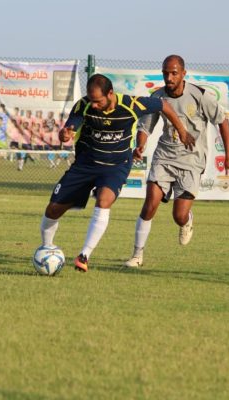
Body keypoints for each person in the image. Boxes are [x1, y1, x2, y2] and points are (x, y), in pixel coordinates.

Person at [39, 73, 194, 273]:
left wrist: (181, 131)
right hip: (85, 165)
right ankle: (47, 248)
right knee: (53, 209)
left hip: (116, 166)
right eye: (91, 100)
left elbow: (163, 105)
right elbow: (69, 129)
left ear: (110, 93)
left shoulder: (131, 105)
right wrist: (65, 134)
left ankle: (84, 255)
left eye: (98, 101)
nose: (94, 105)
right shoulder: (84, 105)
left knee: (104, 201)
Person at [123, 55, 229, 268]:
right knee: (150, 204)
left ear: (183, 74)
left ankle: (187, 221)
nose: (169, 78)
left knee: (178, 216)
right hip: (164, 157)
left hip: (191, 160)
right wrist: (140, 145)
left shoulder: (199, 96)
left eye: (174, 73)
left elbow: (223, 121)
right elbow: (145, 127)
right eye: (165, 73)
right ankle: (137, 255)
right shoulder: (157, 97)